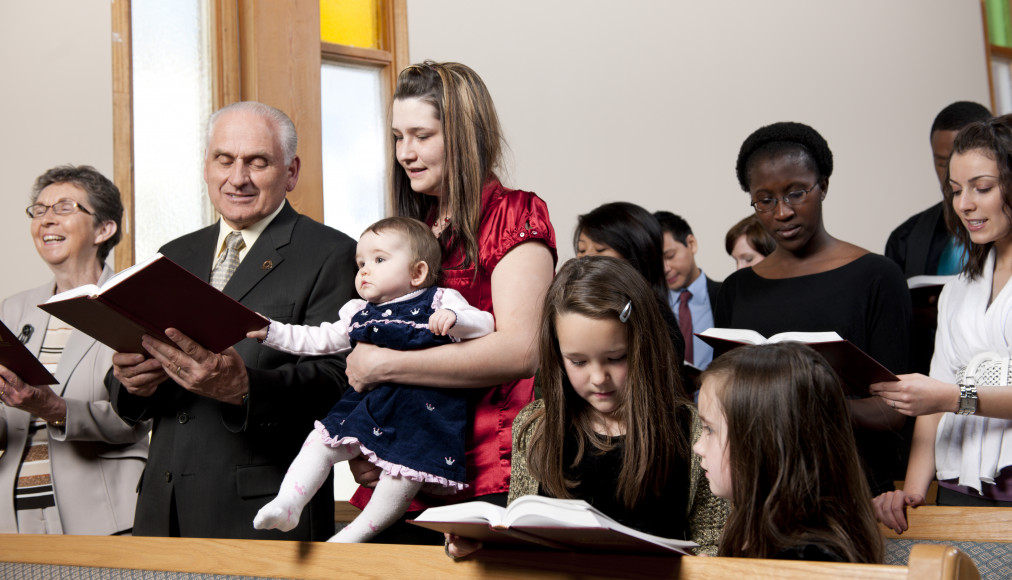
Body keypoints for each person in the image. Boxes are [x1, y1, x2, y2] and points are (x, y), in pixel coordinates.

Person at [106, 101, 358, 539]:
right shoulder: (174, 254)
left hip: (261, 514)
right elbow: (134, 391)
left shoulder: (333, 254)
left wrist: (245, 389)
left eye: (257, 162)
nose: (237, 177)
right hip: (161, 510)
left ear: (291, 171)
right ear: (207, 166)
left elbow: (343, 383)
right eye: (224, 160)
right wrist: (129, 382)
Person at [343, 61, 558, 543]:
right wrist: (364, 439)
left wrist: (384, 366)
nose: (405, 152)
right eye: (398, 137)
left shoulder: (513, 213)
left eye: (420, 135)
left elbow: (522, 351)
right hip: (403, 461)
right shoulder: (413, 225)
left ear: (463, 135)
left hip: (481, 472)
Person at [446, 257, 728, 559]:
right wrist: (485, 549)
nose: (598, 378)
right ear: (557, 354)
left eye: (616, 357)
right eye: (578, 362)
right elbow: (523, 536)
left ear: (643, 346)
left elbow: (713, 546)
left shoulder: (693, 430)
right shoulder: (535, 427)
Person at [251, 217, 494, 542]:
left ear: (417, 273)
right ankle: (288, 503)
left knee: (403, 473)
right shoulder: (358, 311)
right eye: (361, 263)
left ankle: (354, 534)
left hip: (422, 413)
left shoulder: (439, 300)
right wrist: (271, 330)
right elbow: (317, 339)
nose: (364, 270)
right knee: (319, 443)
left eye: (378, 260)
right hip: (367, 404)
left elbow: (486, 324)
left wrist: (456, 320)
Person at [716, 121, 911, 496]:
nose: (783, 212)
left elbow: (895, 411)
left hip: (851, 492)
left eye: (796, 193)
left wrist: (811, 404)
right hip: (764, 490)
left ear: (823, 185)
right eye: (765, 199)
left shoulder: (876, 276)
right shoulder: (737, 290)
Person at [872, 115, 1012, 534]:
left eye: (981, 188)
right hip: (955, 486)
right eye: (955, 190)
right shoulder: (958, 289)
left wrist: (952, 397)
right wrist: (913, 493)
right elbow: (933, 403)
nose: (964, 203)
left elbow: (944, 396)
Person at [0, 165, 149, 534]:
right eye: (39, 210)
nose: (47, 220)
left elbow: (135, 417)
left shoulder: (133, 304)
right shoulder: (12, 309)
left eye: (64, 208)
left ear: (104, 228)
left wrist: (51, 407)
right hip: (14, 516)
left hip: (103, 516)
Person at [695, 343, 883, 562]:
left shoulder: (813, 557)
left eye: (709, 429)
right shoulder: (746, 527)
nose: (697, 446)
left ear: (764, 444)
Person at [886, 101, 993, 375]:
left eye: (982, 186)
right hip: (930, 372)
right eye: (942, 163)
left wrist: (956, 399)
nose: (949, 177)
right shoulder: (906, 238)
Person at [574, 202, 686, 368]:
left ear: (637, 253)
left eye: (600, 249)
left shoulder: (657, 324)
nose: (586, 258)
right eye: (581, 249)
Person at [654, 210, 720, 370]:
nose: (665, 268)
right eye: (655, 262)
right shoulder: (652, 305)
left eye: (670, 256)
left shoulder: (725, 295)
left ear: (691, 244)